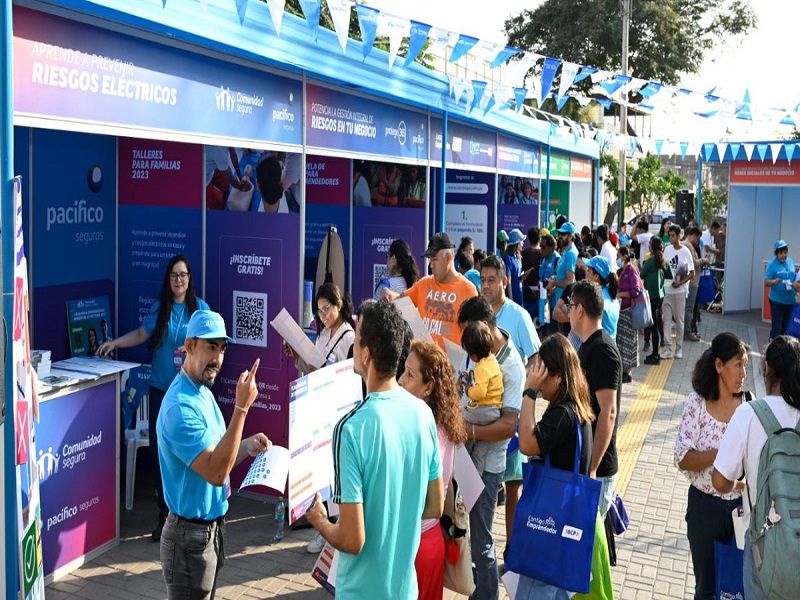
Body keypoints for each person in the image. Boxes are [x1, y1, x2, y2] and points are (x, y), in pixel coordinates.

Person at [306, 300, 444, 600]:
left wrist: (319, 520)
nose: (354, 345)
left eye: (356, 339)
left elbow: (352, 540)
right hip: (405, 590)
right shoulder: (423, 414)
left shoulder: (351, 429)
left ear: (366, 354)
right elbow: (435, 506)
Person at [157, 310, 271, 600]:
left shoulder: (202, 390)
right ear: (189, 346)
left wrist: (246, 446)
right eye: (210, 347)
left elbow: (219, 451)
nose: (218, 358)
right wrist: (242, 409)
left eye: (222, 348)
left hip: (210, 532)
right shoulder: (180, 408)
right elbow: (217, 472)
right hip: (189, 539)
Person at [97, 254, 210, 540]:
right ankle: (166, 516)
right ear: (168, 279)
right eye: (174, 275)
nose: (179, 280)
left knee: (191, 452)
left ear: (190, 279)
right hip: (161, 391)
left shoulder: (200, 310)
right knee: (163, 457)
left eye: (183, 275)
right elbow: (139, 334)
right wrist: (114, 343)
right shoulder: (160, 308)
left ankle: (189, 514)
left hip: (190, 392)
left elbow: (214, 344)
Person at [713, 335, 800, 599]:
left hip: (763, 542)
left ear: (766, 369)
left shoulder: (749, 414)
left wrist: (738, 484)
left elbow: (719, 481)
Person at [516, 334, 595, 599]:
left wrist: (529, 392)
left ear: (559, 377)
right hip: (565, 525)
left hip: (549, 526)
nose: (538, 381)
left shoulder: (563, 414)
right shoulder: (579, 410)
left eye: (542, 374)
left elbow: (527, 443)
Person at [457, 296, 524, 600]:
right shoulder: (478, 353)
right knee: (473, 531)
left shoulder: (511, 366)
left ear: (483, 327)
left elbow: (509, 426)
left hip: (488, 467)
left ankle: (487, 594)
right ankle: (479, 588)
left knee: (483, 537)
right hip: (468, 460)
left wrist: (469, 430)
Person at [674, 332, 749, 600]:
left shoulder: (748, 406)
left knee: (738, 587)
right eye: (737, 365)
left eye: (745, 365)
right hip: (704, 509)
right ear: (719, 366)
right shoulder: (697, 403)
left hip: (741, 510)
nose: (743, 373)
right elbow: (682, 457)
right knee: (706, 589)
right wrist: (721, 453)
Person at [399, 340, 468, 600]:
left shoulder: (423, 431)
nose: (401, 380)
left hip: (414, 544)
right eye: (404, 370)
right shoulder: (441, 424)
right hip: (429, 541)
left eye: (410, 374)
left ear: (429, 387)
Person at [570, 280, 622, 517]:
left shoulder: (602, 350)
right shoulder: (589, 345)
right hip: (588, 465)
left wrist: (592, 467)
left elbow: (608, 412)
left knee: (590, 546)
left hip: (597, 471)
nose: (569, 312)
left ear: (580, 310)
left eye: (571, 306)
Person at [381, 232, 477, 350]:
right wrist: (388, 294)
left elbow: (475, 335)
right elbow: (401, 300)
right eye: (430, 260)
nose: (431, 264)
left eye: (434, 259)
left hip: (451, 366)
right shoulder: (424, 284)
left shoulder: (468, 290)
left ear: (448, 258)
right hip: (422, 362)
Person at [480, 254, 541, 368]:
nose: (485, 286)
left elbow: (536, 359)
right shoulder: (477, 315)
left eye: (491, 280)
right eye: (482, 280)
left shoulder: (519, 316)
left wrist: (519, 381)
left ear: (504, 282)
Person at [287, 282, 355, 375]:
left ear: (338, 305)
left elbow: (348, 377)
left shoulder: (350, 339)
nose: (322, 316)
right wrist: (298, 354)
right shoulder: (324, 333)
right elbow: (314, 365)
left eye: (326, 309)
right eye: (319, 311)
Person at [460, 320, 504, 426]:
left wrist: (468, 390)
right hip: (495, 409)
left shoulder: (481, 368)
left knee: (459, 415)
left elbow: (479, 393)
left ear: (474, 356)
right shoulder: (492, 360)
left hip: (485, 410)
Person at [661, 225, 695, 360]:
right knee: (666, 320)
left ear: (679, 236)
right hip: (667, 290)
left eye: (673, 235)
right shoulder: (667, 250)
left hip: (680, 292)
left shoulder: (686, 251)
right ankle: (668, 348)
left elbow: (691, 273)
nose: (671, 238)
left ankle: (679, 348)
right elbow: (663, 267)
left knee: (679, 321)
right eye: (669, 235)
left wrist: (680, 283)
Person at [641, 236, 672, 365]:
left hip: (651, 295)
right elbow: (670, 275)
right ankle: (655, 352)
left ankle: (655, 355)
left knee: (653, 326)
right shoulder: (664, 260)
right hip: (660, 295)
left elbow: (642, 275)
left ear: (652, 248)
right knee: (655, 323)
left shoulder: (650, 261)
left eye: (649, 245)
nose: (648, 246)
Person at [615, 246, 643, 383]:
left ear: (625, 256)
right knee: (621, 341)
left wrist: (620, 294)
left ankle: (628, 371)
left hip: (629, 311)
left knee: (629, 342)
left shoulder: (632, 270)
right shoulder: (620, 271)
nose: (617, 258)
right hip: (621, 311)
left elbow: (635, 291)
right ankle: (623, 370)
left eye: (619, 255)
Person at [546, 222, 578, 333]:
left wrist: (554, 283)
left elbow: (569, 281)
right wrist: (555, 280)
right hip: (561, 302)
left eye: (563, 234)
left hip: (565, 305)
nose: (559, 236)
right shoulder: (567, 252)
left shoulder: (570, 254)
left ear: (570, 236)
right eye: (559, 234)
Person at [764, 239, 797, 341]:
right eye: (781, 253)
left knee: (786, 329)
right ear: (777, 254)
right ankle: (770, 351)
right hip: (777, 302)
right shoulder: (772, 264)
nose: (784, 255)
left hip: (790, 301)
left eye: (785, 252)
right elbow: (766, 281)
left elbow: (794, 277)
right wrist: (774, 281)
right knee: (776, 330)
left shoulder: (790, 261)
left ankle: (782, 353)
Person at [584, 256, 620, 340]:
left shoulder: (596, 298)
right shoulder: (609, 293)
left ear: (596, 277)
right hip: (608, 345)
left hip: (600, 347)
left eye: (588, 270)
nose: (585, 272)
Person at [521, 226, 543, 319]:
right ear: (540, 238)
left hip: (526, 293)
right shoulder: (543, 254)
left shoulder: (523, 253)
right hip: (541, 294)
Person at [503, 228, 526, 305]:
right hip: (513, 297)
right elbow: (508, 280)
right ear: (517, 243)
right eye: (521, 241)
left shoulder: (517, 256)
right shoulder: (508, 258)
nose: (523, 243)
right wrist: (511, 299)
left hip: (519, 294)